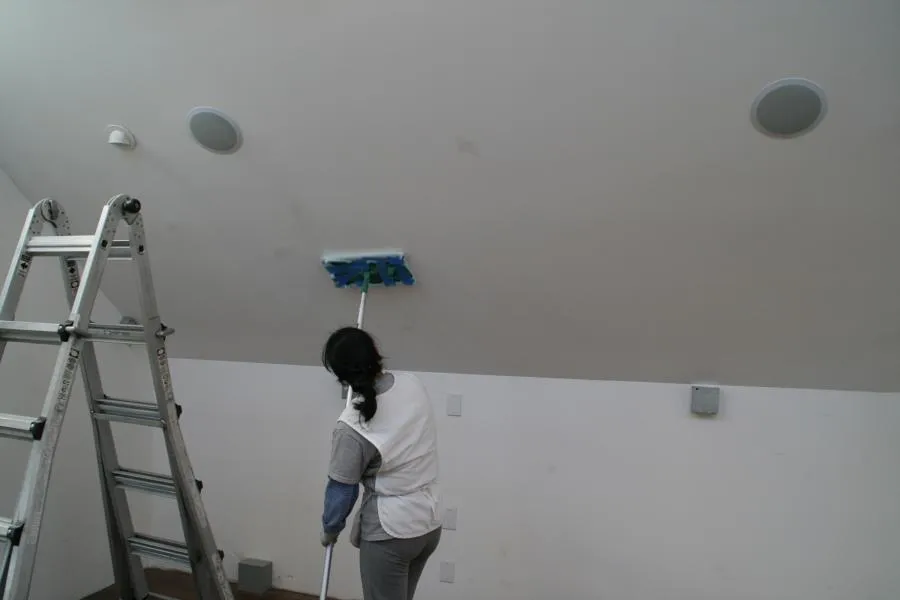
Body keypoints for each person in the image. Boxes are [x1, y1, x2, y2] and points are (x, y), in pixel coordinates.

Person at [319, 326, 443, 600]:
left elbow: (342, 491)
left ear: (341, 377)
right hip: (428, 523)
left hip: (391, 534)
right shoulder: (411, 383)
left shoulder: (351, 426)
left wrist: (330, 529)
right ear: (375, 354)